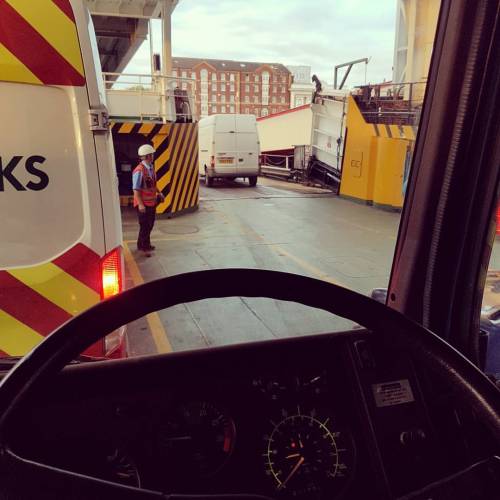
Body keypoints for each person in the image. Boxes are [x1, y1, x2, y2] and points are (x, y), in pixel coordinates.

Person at [132, 144, 165, 256]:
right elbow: (136, 189)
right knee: (145, 226)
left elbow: (153, 185)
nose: (153, 156)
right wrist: (141, 205)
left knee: (149, 225)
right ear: (147, 156)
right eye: (151, 154)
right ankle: (143, 247)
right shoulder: (139, 171)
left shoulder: (150, 168)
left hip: (151, 202)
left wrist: (159, 193)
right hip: (143, 204)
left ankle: (144, 244)